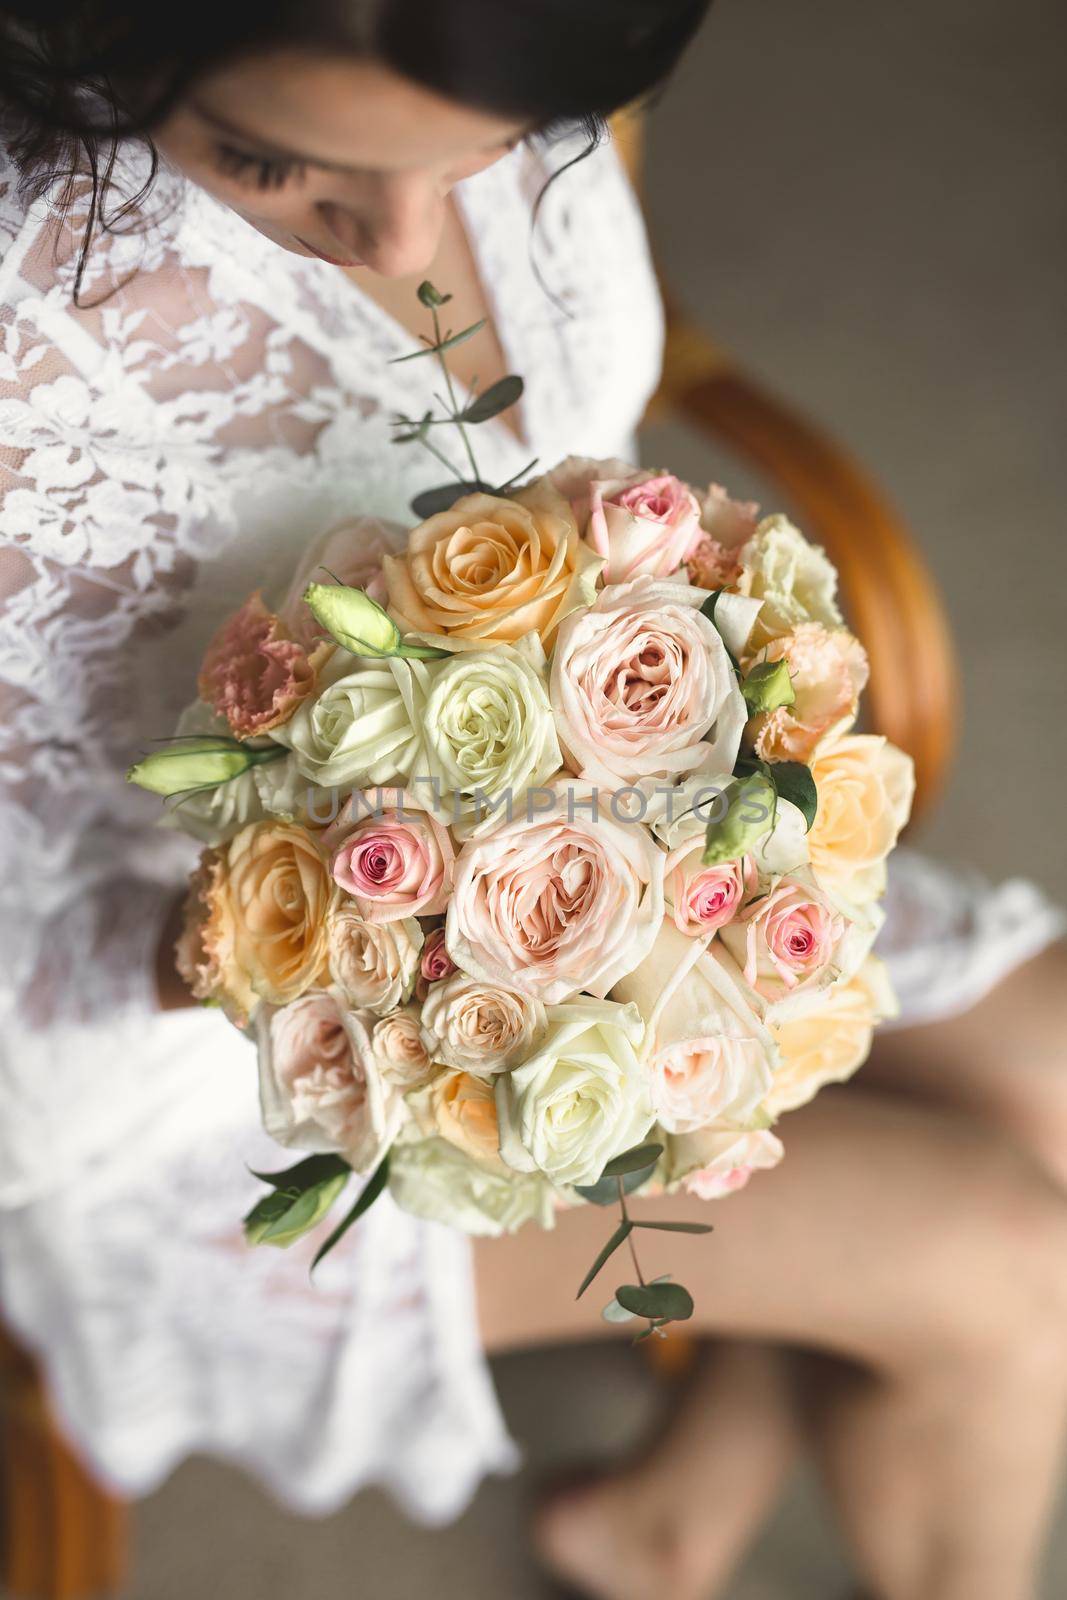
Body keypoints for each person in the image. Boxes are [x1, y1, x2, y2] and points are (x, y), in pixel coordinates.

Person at [0, 4, 1064, 1597]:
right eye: (275, 159)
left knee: (1053, 1064)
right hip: (209, 1076)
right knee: (1008, 1263)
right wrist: (324, 941)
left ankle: (668, 1518)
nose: (410, 233)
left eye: (485, 151)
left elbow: (584, 443)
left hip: (600, 828)